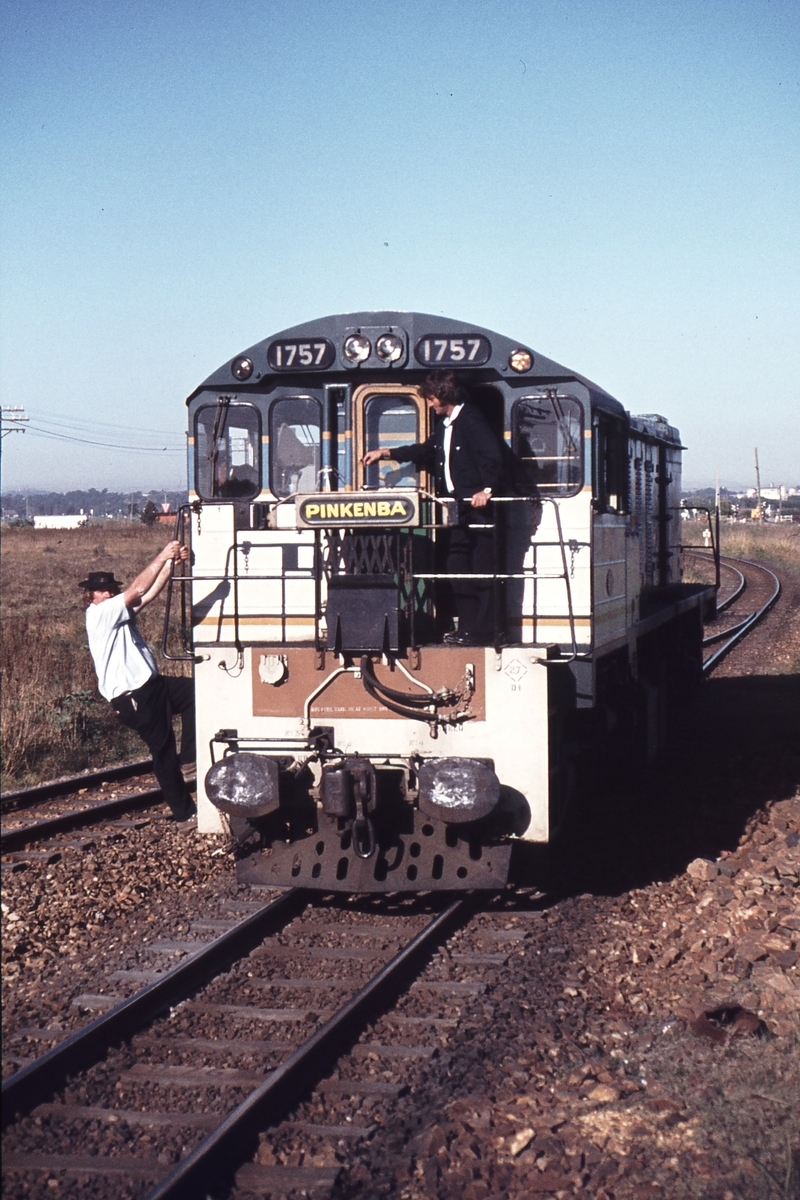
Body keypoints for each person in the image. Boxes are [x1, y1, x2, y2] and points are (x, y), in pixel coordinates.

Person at [362, 370, 503, 645]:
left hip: (477, 508)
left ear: (444, 396)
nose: (429, 404)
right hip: (457, 507)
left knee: (482, 569)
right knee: (457, 565)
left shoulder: (471, 420)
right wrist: (386, 453)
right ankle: (469, 628)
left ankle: (484, 630)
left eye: (430, 398)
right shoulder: (445, 426)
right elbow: (426, 450)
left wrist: (486, 490)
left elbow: (493, 456)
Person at [79, 541, 197, 825]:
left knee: (198, 692)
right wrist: (162, 555)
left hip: (153, 687)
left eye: (110, 589)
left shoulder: (115, 612)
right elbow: (139, 589)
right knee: (163, 753)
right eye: (100, 590)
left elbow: (147, 596)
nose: (107, 593)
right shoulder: (99, 614)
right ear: (90, 596)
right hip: (135, 698)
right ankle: (184, 815)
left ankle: (191, 757)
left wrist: (171, 565)